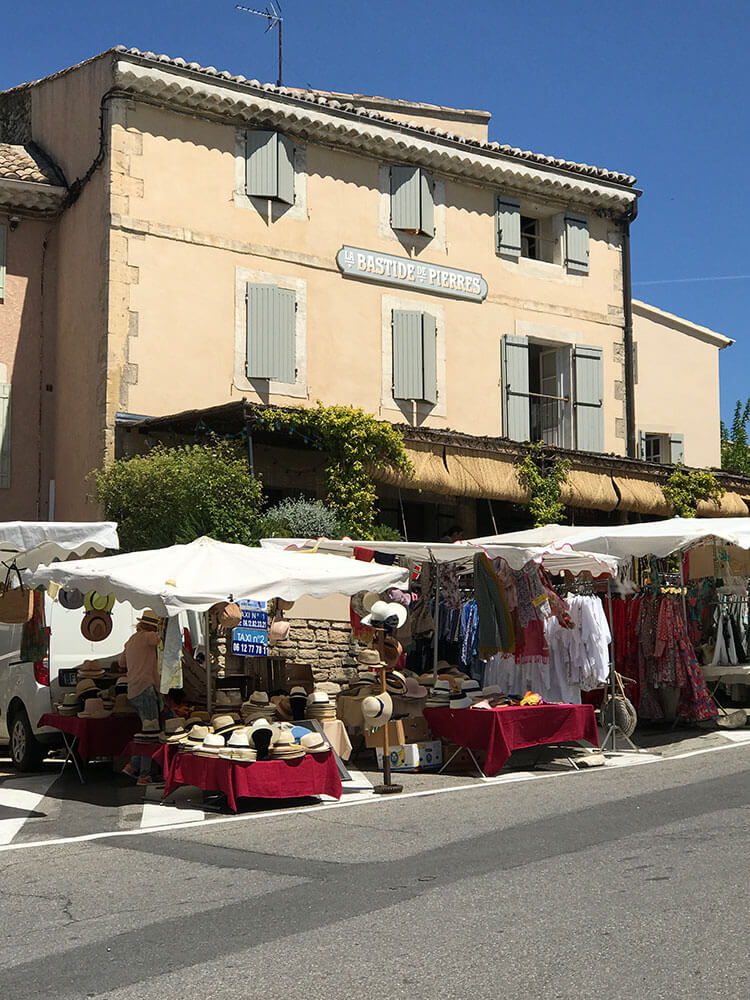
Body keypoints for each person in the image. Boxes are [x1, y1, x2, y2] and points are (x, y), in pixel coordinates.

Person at [120, 609, 162, 785]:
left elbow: (122, 663)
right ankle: (144, 775)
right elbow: (161, 639)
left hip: (133, 690)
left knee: (145, 732)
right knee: (150, 734)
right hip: (145, 689)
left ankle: (132, 766)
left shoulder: (131, 640)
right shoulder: (149, 637)